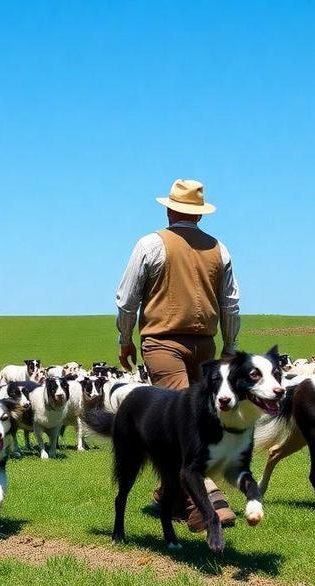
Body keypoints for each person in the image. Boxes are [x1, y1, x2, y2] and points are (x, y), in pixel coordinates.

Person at [114, 178, 241, 531]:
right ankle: (167, 493)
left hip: (163, 343)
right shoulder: (220, 249)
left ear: (170, 209)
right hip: (205, 346)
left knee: (180, 426)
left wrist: (125, 339)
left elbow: (128, 299)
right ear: (199, 215)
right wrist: (229, 347)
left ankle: (210, 505)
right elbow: (231, 304)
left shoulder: (151, 244)